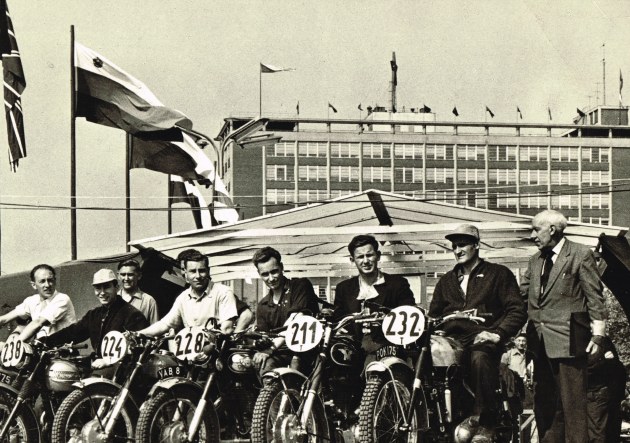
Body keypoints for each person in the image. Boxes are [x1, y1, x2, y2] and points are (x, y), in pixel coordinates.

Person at [429, 224, 526, 443]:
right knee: (425, 358)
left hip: (483, 336)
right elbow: (434, 315)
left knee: (479, 356)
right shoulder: (446, 280)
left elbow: (517, 310)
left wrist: (498, 333)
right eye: (454, 246)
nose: (457, 250)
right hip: (451, 339)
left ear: (477, 245)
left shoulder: (498, 274)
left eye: (462, 245)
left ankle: (484, 421)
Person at [521, 209, 607, 443]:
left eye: (536, 229)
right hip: (539, 344)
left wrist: (598, 335)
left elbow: (594, 296)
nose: (532, 235)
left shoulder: (580, 254)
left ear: (552, 229)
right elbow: (521, 297)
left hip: (569, 342)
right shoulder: (535, 260)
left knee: (573, 408)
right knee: (544, 406)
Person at [44, 269, 148, 369]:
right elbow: (73, 332)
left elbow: (138, 350)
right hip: (97, 364)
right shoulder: (94, 315)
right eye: (98, 288)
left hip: (120, 370)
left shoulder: (132, 314)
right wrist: (45, 342)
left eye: (106, 287)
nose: (102, 293)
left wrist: (108, 360)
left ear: (116, 287)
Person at [334, 234, 416, 353]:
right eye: (360, 257)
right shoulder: (344, 288)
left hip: (388, 349)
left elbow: (409, 315)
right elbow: (338, 319)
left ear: (378, 256)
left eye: (369, 255)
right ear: (352, 260)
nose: (365, 261)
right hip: (352, 352)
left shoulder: (397, 284)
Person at [251, 246, 320, 375]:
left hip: (306, 352)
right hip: (279, 353)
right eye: (265, 274)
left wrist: (270, 349)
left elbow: (296, 320)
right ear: (259, 274)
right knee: (262, 366)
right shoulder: (263, 305)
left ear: (281, 267)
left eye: (274, 272)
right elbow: (264, 336)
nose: (271, 278)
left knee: (296, 366)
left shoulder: (300, 286)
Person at [137, 251, 238, 337]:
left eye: (202, 271)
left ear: (208, 271)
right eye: (193, 271)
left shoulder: (223, 292)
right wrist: (138, 334)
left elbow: (227, 328)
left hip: (215, 351)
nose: (198, 276)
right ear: (185, 274)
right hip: (189, 352)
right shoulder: (183, 298)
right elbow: (165, 324)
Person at [175, 248, 253, 333]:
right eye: (182, 269)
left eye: (201, 270)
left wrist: (234, 336)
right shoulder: (184, 293)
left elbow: (247, 314)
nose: (184, 273)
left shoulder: (219, 292)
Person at [0, 264, 76, 342]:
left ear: (55, 281)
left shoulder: (62, 299)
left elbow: (38, 322)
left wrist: (15, 344)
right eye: (42, 281)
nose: (47, 285)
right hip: (42, 347)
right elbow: (4, 319)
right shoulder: (32, 300)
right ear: (34, 285)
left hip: (63, 348)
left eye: (50, 280)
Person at [587, 335, 626, 443]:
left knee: (598, 434)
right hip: (606, 392)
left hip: (598, 392)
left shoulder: (596, 340)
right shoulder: (602, 340)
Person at [117, 259, 159, 324]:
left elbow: (155, 328)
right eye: (123, 274)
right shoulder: (113, 298)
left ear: (139, 276)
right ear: (118, 276)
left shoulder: (149, 301)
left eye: (130, 275)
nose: (126, 278)